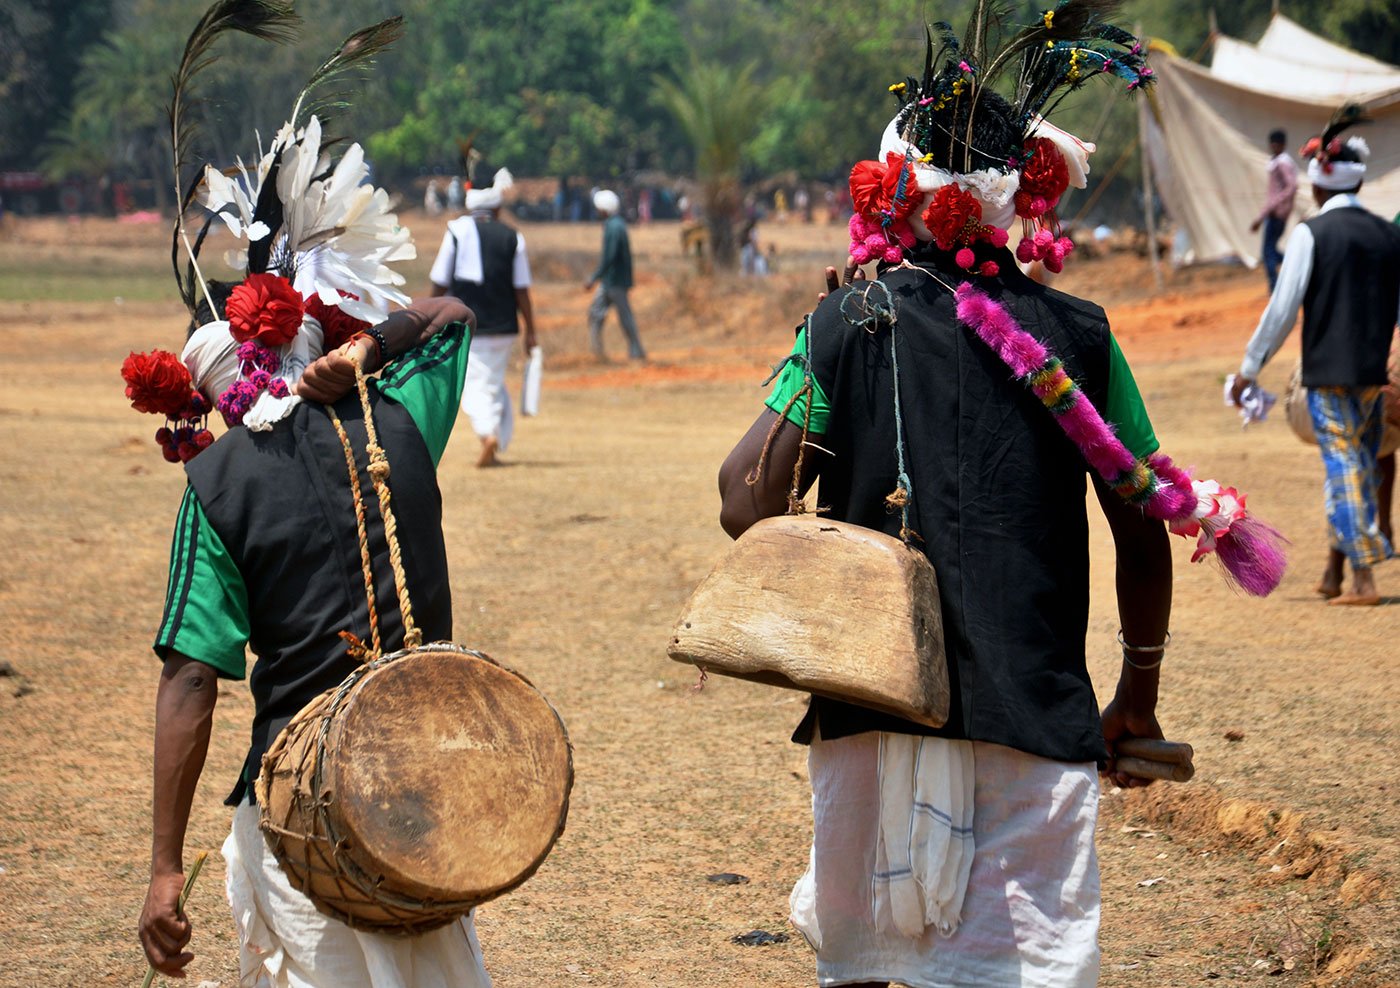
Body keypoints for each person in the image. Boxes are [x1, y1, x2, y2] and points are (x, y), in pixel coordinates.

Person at [715, 17, 1277, 986]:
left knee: (860, 969)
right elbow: (1141, 530)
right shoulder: (1080, 333)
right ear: (1024, 195)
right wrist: (1132, 699)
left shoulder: (849, 317)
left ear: (896, 191)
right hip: (1035, 725)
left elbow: (743, 500)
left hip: (869, 717)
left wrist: (819, 339)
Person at [1231, 111, 1400, 606]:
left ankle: (1364, 578)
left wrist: (1248, 368)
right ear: (1360, 180)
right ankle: (1333, 571)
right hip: (1376, 373)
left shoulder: (1310, 234)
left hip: (1327, 374)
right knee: (1358, 464)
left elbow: (1281, 310)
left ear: (1318, 185)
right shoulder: (1389, 235)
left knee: (1346, 464)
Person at [429, 167, 537, 467]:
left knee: (476, 385)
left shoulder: (455, 232)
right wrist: (531, 330)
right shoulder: (513, 237)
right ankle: (498, 440)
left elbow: (439, 280)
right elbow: (522, 290)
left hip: (468, 324)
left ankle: (488, 434)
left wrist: (427, 318)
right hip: (504, 327)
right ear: (498, 207)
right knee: (492, 382)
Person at [585, 189, 646, 361]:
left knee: (622, 316)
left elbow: (609, 257)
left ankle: (635, 351)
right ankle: (597, 352)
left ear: (603, 210)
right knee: (597, 312)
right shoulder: (616, 224)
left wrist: (594, 277)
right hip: (612, 280)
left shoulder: (613, 227)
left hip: (613, 281)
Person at [1250, 128, 1298, 292]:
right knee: (1270, 250)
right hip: (1277, 212)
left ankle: (1275, 286)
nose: (1273, 146)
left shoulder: (1282, 163)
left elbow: (1291, 187)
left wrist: (1266, 212)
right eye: (1272, 143)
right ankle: (1293, 267)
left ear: (1282, 145)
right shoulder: (1278, 162)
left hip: (1276, 213)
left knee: (1268, 251)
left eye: (1276, 143)